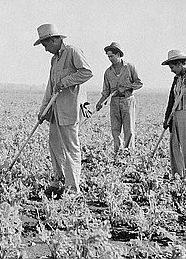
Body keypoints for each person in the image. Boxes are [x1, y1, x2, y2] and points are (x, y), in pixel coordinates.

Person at [34, 24, 93, 197]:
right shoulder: (54, 59)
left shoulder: (73, 52)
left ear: (54, 40)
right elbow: (50, 87)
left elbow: (87, 72)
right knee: (54, 147)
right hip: (55, 110)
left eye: (46, 45)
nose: (45, 49)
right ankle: (57, 181)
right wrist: (43, 110)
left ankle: (72, 188)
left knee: (70, 149)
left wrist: (66, 81)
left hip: (70, 109)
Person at [96, 42, 143, 153]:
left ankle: (128, 153)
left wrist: (126, 88)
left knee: (129, 130)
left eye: (112, 56)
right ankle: (118, 153)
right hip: (114, 102)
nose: (110, 59)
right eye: (108, 56)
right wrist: (100, 102)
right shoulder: (108, 72)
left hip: (127, 101)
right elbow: (106, 91)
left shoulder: (130, 67)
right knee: (115, 130)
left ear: (118, 54)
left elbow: (139, 83)